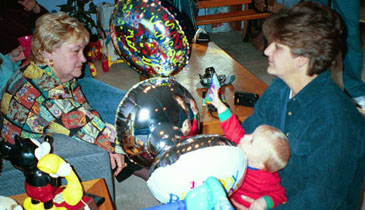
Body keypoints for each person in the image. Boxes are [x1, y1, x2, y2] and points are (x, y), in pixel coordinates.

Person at [238, 2, 365, 209]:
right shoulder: (280, 88)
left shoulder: (336, 122)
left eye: (277, 46)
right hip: (265, 196)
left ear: (302, 59)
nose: (267, 50)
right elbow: (247, 132)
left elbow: (320, 201)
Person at [0, 12, 126, 176]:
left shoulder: (46, 69)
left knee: (105, 125)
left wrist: (106, 135)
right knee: (105, 143)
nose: (83, 58)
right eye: (75, 51)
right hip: (23, 159)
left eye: (83, 50)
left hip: (39, 129)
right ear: (48, 51)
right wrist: (114, 145)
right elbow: (79, 121)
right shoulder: (47, 91)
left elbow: (81, 106)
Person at [209, 88, 290, 210]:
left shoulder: (266, 179)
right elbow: (233, 127)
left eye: (252, 141)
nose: (246, 136)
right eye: (252, 134)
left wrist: (264, 202)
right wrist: (220, 106)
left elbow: (279, 194)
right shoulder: (243, 147)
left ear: (258, 163)